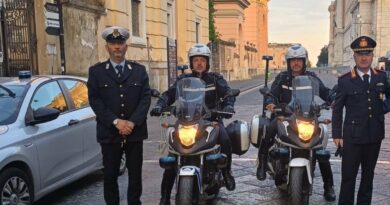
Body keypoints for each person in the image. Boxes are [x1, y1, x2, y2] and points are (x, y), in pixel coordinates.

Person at [150, 43, 236, 205]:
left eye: (202, 60)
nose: (199, 63)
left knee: (224, 138)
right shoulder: (183, 80)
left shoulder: (216, 79)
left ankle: (226, 172)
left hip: (211, 120)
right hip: (186, 121)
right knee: (173, 154)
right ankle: (165, 196)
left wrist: (228, 105)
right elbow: (169, 94)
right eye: (196, 60)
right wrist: (160, 105)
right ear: (191, 62)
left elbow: (227, 94)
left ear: (207, 62)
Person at [256, 44, 336, 201]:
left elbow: (325, 91)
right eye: (293, 60)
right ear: (288, 62)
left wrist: (332, 99)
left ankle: (329, 186)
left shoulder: (312, 78)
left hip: (307, 117)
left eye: (299, 60)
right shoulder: (282, 78)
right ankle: (263, 161)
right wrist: (271, 102)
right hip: (285, 116)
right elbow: (272, 94)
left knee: (320, 149)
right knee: (270, 129)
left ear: (304, 61)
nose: (296, 63)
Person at [87, 26, 151, 205]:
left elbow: (145, 98)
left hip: (134, 132)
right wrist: (116, 122)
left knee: (135, 175)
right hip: (110, 133)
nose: (117, 47)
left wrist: (132, 122)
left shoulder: (139, 71)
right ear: (107, 47)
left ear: (126, 46)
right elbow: (95, 100)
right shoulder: (97, 72)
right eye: (113, 43)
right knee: (109, 175)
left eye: (120, 43)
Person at [332, 36, 390, 205]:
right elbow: (337, 109)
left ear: (372, 56)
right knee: (348, 178)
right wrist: (337, 134)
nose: (364, 57)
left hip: (374, 136)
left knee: (368, 177)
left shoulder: (380, 77)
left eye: (367, 53)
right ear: (355, 56)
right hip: (352, 137)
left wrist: (383, 109)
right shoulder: (345, 81)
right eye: (360, 54)